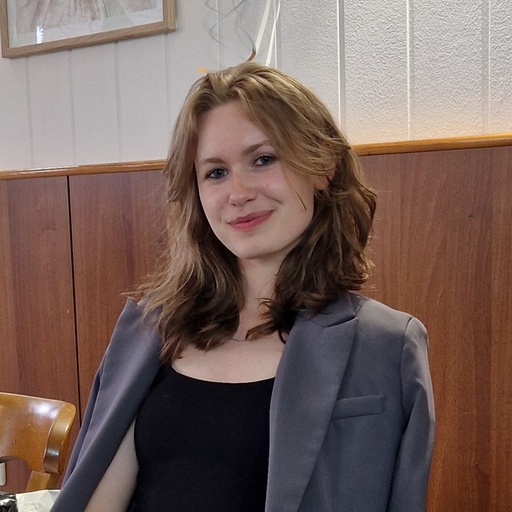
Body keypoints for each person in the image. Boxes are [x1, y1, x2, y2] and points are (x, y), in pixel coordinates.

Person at [52, 62, 435, 512]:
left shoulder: (387, 345)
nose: (238, 193)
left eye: (263, 159)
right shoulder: (148, 329)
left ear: (322, 167)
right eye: (215, 172)